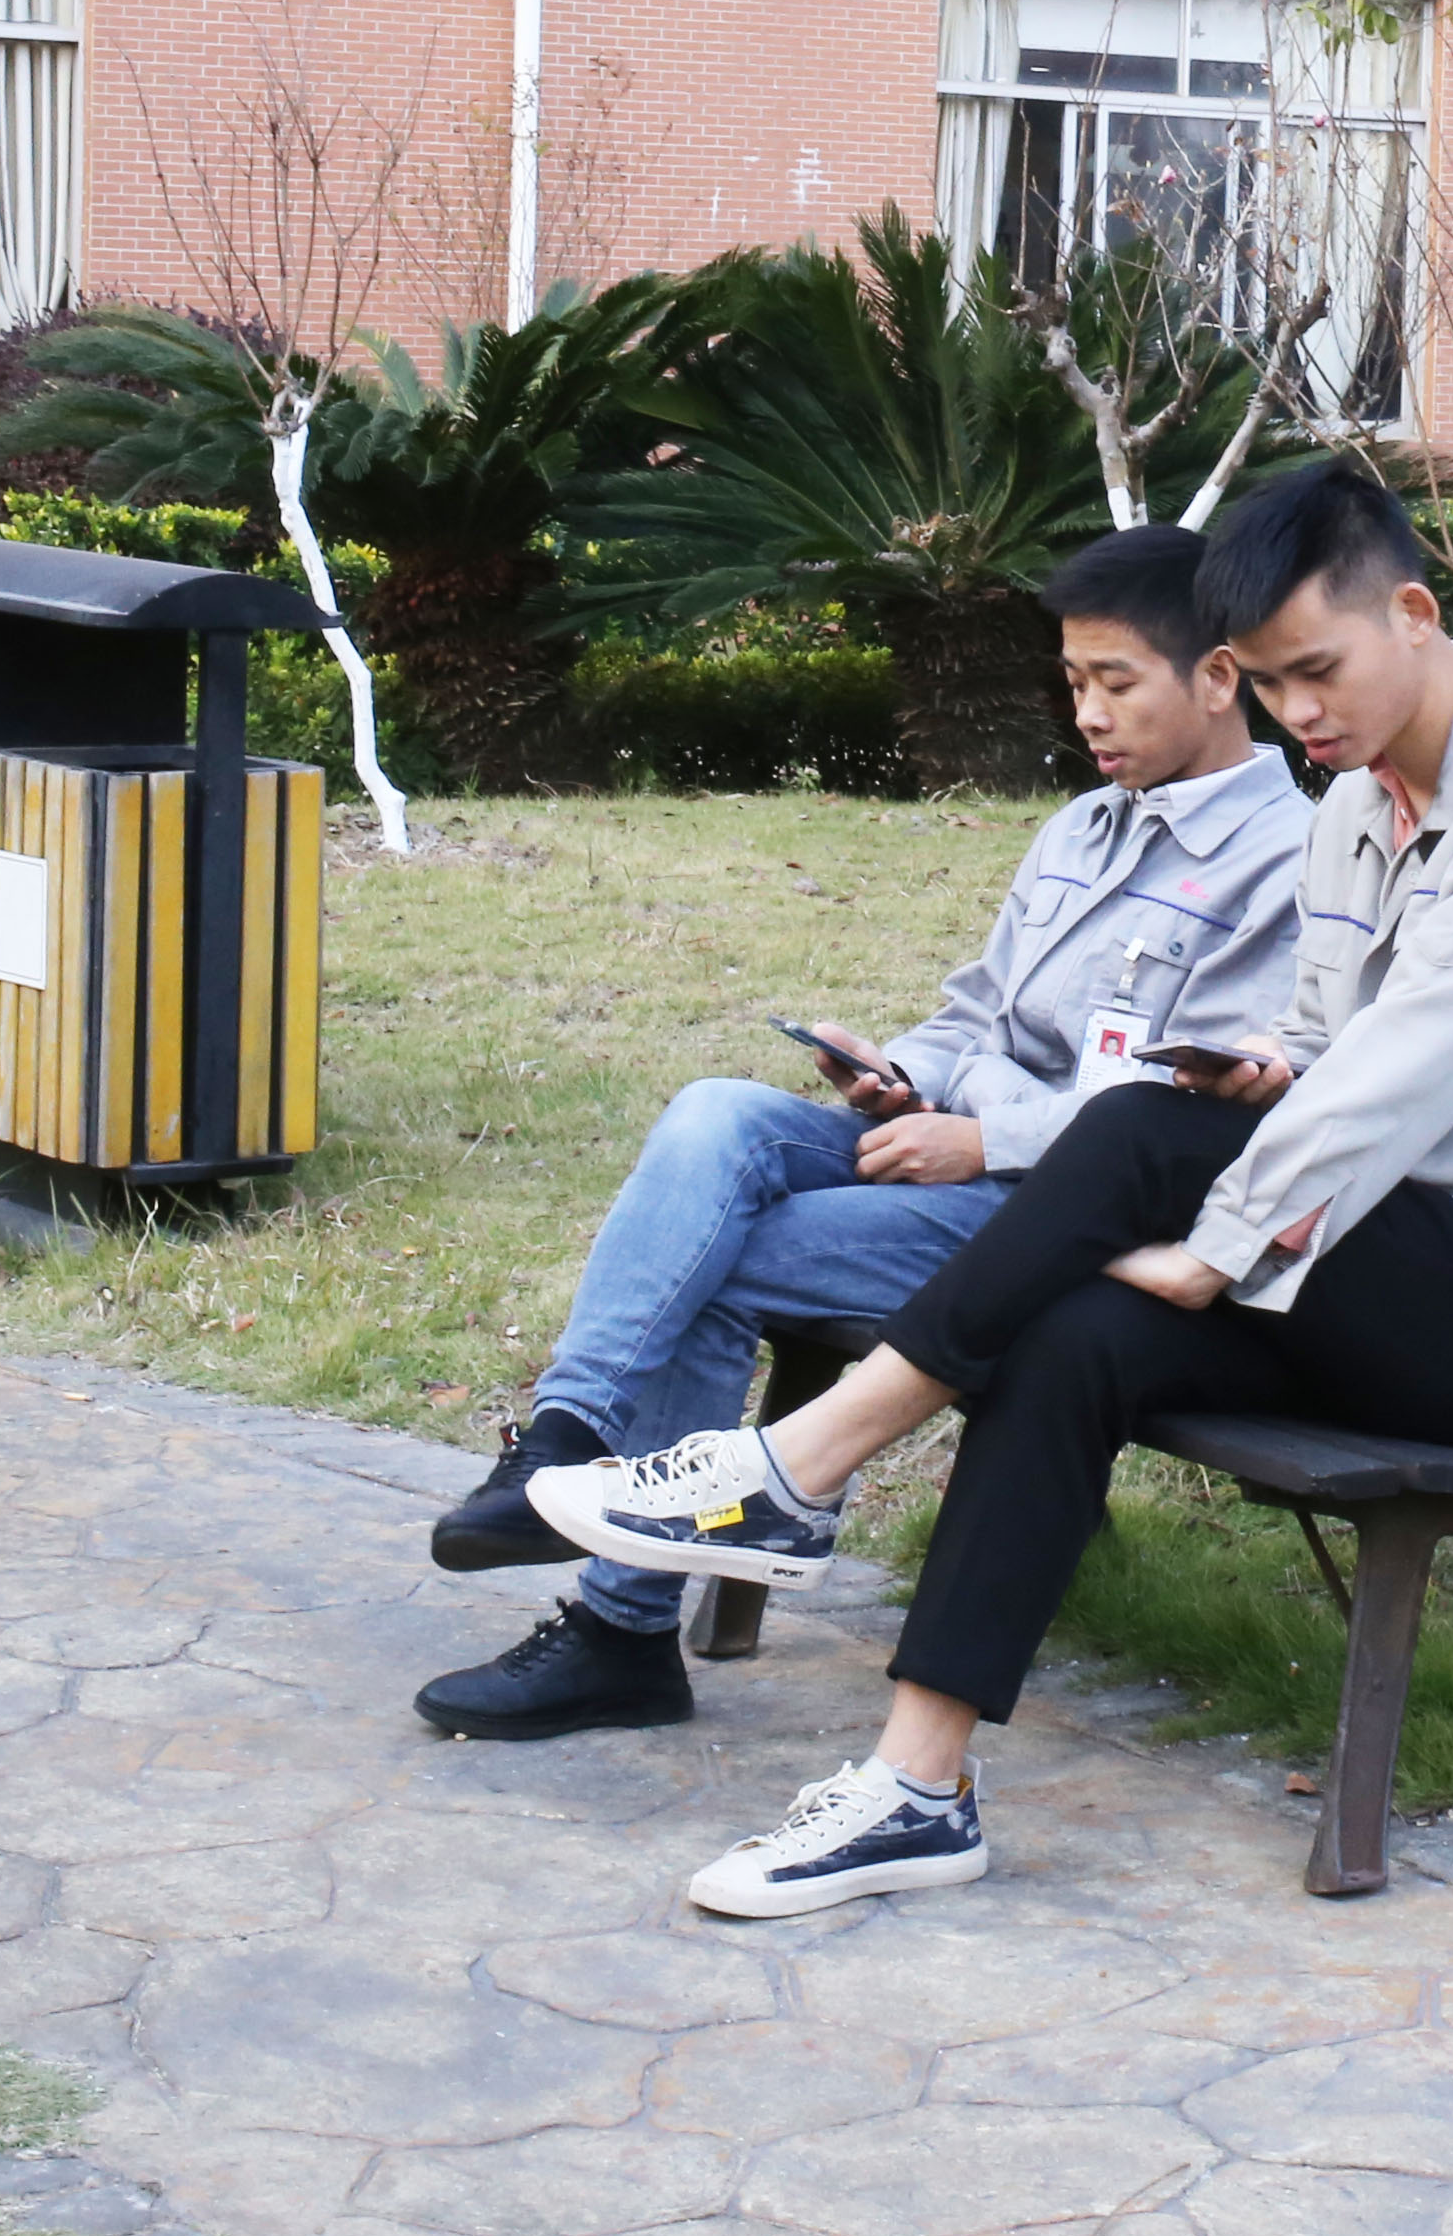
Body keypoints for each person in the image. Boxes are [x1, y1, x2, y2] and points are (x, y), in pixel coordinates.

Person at [529, 463, 1453, 1917]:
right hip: (1363, 1262)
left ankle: (800, 1469)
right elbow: (1329, 1043)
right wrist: (1261, 1070)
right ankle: (916, 1787)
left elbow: (1417, 1061)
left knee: (1144, 1127)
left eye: (1318, 671)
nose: (1299, 712)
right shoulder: (1358, 802)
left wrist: (1216, 1246)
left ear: (1414, 613)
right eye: (1269, 685)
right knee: (1072, 1333)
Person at [404, 523, 1308, 1741]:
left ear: (1216, 677)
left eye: (1115, 683)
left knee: (716, 1258)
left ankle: (621, 1631)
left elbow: (1186, 1110)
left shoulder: (1287, 863)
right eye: (1072, 682)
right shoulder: (1082, 829)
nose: (1088, 714)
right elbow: (978, 1012)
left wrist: (985, 1141)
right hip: (952, 1149)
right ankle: (563, 1444)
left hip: (1060, 1216)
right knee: (717, 1112)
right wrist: (904, 1074)